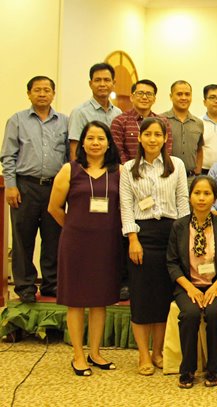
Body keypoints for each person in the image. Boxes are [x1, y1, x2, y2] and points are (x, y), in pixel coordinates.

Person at [48, 121, 122, 376]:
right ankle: (78, 354)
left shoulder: (118, 172)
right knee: (76, 301)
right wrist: (76, 227)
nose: (95, 143)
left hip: (107, 244)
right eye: (90, 138)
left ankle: (95, 352)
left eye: (101, 138)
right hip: (76, 244)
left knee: (100, 300)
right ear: (82, 142)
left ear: (109, 143)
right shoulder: (69, 170)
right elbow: (54, 208)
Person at [120, 117, 190, 375]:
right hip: (142, 233)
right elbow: (126, 205)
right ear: (139, 138)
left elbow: (183, 200)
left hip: (171, 232)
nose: (152, 139)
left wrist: (184, 236)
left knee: (163, 296)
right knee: (141, 295)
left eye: (157, 135)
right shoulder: (128, 168)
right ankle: (143, 355)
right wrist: (133, 239)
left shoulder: (177, 165)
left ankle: (158, 352)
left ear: (164, 138)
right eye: (147, 134)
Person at [1, 75, 68, 302]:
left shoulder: (64, 122)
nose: (42, 94)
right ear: (28, 93)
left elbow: (69, 158)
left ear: (53, 94)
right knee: (23, 239)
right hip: (25, 186)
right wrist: (11, 186)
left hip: (55, 188)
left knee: (53, 238)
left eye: (46, 90)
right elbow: (8, 156)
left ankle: (51, 284)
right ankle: (25, 286)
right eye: (37, 90)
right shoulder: (17, 120)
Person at [165, 176, 217, 388]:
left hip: (216, 284)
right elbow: (172, 263)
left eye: (207, 194)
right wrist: (190, 288)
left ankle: (214, 369)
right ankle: (187, 369)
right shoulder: (179, 226)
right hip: (188, 285)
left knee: (214, 312)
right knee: (190, 314)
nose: (201, 198)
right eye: (197, 193)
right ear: (190, 196)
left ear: (215, 197)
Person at [111, 79, 173, 163]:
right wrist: (130, 170)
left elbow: (167, 149)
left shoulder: (163, 122)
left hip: (158, 172)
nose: (144, 97)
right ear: (132, 97)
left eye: (149, 94)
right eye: (140, 93)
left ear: (154, 99)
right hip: (128, 172)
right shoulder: (119, 121)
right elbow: (118, 151)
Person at [68, 63, 122, 157]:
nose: (102, 84)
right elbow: (74, 150)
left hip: (112, 168)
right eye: (97, 80)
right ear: (90, 84)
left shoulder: (118, 113)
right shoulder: (80, 112)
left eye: (106, 80)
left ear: (113, 83)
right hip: (88, 169)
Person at [163, 81, 204, 179]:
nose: (184, 98)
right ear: (171, 96)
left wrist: (197, 173)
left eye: (187, 94)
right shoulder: (161, 120)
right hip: (166, 177)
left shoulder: (198, 123)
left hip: (190, 178)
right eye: (179, 94)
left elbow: (199, 150)